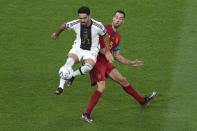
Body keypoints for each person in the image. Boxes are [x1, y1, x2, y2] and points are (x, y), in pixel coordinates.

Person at [80, 10, 157, 123]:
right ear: (113, 18)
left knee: (123, 80)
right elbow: (91, 45)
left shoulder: (117, 37)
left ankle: (143, 101)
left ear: (123, 22)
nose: (117, 20)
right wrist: (104, 52)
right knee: (101, 87)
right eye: (116, 17)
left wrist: (131, 62)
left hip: (105, 63)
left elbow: (117, 56)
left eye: (120, 18)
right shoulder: (102, 29)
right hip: (95, 62)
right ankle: (86, 114)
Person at [51, 6, 113, 95]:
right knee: (68, 64)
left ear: (89, 16)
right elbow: (64, 26)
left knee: (88, 67)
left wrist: (107, 51)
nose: (82, 20)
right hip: (78, 48)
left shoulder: (98, 26)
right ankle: (60, 87)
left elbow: (106, 35)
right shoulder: (76, 23)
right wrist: (56, 34)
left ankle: (72, 75)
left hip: (91, 50)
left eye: (84, 18)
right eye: (80, 18)